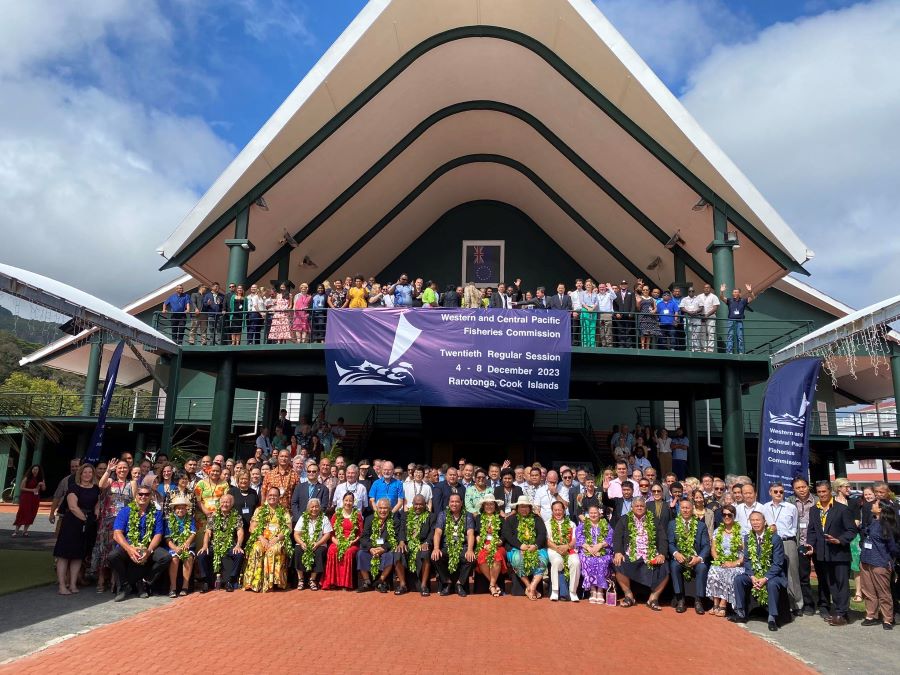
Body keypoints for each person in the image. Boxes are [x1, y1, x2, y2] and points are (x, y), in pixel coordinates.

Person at [805, 480, 857, 626]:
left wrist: (840, 540)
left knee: (842, 584)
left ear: (830, 491)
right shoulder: (814, 510)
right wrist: (810, 545)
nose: (822, 494)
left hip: (839, 554)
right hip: (822, 554)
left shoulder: (842, 509)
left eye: (824, 491)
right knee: (831, 585)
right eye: (819, 492)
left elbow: (852, 530)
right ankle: (839, 611)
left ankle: (842, 613)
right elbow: (812, 530)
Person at [108, 484, 168, 601]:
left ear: (150, 496)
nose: (143, 497)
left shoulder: (156, 513)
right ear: (136, 495)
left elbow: (158, 535)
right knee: (113, 556)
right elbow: (117, 534)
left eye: (146, 494)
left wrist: (149, 551)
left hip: (147, 546)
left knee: (165, 557)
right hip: (129, 545)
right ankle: (125, 585)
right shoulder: (125, 511)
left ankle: (144, 582)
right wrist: (130, 549)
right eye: (140, 494)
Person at [731, 511, 787, 631]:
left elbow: (778, 564)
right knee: (738, 579)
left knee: (772, 584)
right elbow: (747, 560)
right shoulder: (748, 538)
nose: (755, 523)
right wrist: (752, 576)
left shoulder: (775, 539)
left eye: (758, 520)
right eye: (753, 520)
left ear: (764, 522)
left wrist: (765, 578)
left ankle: (772, 618)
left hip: (773, 575)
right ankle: (741, 613)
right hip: (755, 575)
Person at [613, 497, 669, 610]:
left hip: (650, 554)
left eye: (642, 506)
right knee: (618, 563)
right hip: (631, 553)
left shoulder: (654, 519)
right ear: (632, 507)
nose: (639, 508)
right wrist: (618, 552)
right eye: (637, 506)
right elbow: (617, 536)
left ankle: (653, 598)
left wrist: (662, 554)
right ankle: (629, 596)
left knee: (665, 566)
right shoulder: (624, 519)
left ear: (645, 507)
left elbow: (662, 538)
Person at [53, 464, 100, 595]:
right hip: (72, 523)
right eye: (85, 472)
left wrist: (96, 513)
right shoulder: (73, 487)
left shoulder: (96, 488)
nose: (87, 475)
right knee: (64, 554)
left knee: (78, 555)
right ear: (80, 474)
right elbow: (73, 507)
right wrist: (85, 519)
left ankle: (73, 584)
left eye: (90, 472)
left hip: (87, 524)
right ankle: (62, 586)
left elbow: (97, 504)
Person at [91, 460, 134, 591]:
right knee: (105, 549)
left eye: (125, 468)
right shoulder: (110, 481)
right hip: (108, 521)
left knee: (118, 549)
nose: (122, 470)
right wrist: (108, 470)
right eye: (119, 468)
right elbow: (101, 484)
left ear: (128, 469)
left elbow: (135, 501)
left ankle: (114, 580)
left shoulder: (132, 483)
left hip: (124, 521)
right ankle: (101, 579)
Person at [762, 481, 802, 616]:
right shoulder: (765, 507)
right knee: (771, 572)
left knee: (792, 573)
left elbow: (795, 526)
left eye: (781, 492)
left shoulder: (791, 507)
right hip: (770, 542)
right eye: (776, 491)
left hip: (787, 541)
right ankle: (774, 604)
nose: (779, 494)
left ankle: (796, 604)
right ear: (770, 492)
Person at [859, 499, 900, 630]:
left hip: (880, 563)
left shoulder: (886, 525)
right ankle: (871, 616)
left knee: (883, 592)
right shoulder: (872, 521)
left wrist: (891, 559)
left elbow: (893, 547)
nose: (872, 505)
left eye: (875, 504)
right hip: (866, 561)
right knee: (868, 590)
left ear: (881, 509)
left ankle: (887, 619)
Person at [243, 487, 293, 592]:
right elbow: (252, 527)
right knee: (257, 549)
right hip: (261, 539)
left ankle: (272, 583)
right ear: (266, 496)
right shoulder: (259, 510)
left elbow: (288, 529)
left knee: (272, 551)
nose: (272, 497)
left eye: (275, 495)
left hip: (277, 540)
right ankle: (255, 582)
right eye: (270, 495)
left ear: (279, 497)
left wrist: (276, 539)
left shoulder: (284, 511)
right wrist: (262, 539)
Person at [501, 496, 549, 601]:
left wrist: (535, 545)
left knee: (543, 559)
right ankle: (528, 586)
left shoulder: (537, 519)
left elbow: (542, 534)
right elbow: (508, 535)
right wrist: (520, 546)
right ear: (517, 508)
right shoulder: (510, 519)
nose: (524, 509)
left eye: (526, 507)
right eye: (521, 507)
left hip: (535, 547)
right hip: (516, 548)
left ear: (530, 508)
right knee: (517, 559)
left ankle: (532, 587)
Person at [667, 498, 710, 614]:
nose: (685, 510)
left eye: (688, 508)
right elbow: (670, 543)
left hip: (695, 558)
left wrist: (699, 558)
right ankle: (680, 599)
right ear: (679, 509)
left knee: (702, 568)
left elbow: (706, 545)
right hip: (680, 558)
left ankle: (698, 601)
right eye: (683, 508)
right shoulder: (672, 524)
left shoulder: (701, 525)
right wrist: (676, 553)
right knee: (674, 566)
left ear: (692, 509)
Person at [197, 493, 245, 592]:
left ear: (231, 504)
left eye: (227, 502)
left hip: (229, 545)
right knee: (202, 554)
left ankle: (230, 581)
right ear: (219, 503)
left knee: (239, 554)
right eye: (223, 502)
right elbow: (208, 532)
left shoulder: (236, 516)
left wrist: (238, 545)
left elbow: (240, 532)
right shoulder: (213, 516)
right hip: (215, 545)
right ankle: (206, 582)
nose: (224, 504)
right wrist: (205, 545)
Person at [358, 498, 406, 593]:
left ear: (389, 509)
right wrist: (371, 548)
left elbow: (395, 539)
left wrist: (383, 548)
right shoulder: (369, 519)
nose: (382, 511)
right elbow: (364, 537)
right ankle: (367, 582)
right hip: (371, 548)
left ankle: (380, 581)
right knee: (360, 554)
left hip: (385, 549)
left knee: (390, 556)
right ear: (377, 508)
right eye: (380, 508)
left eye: (385, 508)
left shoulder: (395, 521)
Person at [432, 493, 476, 597]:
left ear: (461, 503)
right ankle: (447, 582)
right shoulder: (442, 515)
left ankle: (460, 584)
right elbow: (438, 532)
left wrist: (470, 550)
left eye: (457, 502)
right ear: (449, 503)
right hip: (447, 547)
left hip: (462, 547)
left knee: (471, 558)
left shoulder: (468, 515)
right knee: (435, 557)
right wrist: (436, 548)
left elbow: (470, 533)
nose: (454, 504)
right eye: (452, 501)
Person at [323, 491, 364, 590]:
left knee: (348, 552)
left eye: (350, 501)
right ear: (342, 501)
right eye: (346, 500)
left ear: (353, 502)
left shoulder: (357, 515)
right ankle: (332, 582)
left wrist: (352, 542)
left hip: (352, 543)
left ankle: (345, 583)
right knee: (332, 550)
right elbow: (331, 533)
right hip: (337, 541)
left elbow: (360, 533)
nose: (348, 503)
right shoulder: (336, 515)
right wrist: (337, 542)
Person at [790, 476, 819, 615]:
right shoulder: (790, 502)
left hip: (818, 543)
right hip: (801, 543)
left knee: (823, 576)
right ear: (794, 490)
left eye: (803, 487)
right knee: (803, 576)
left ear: (808, 487)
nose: (801, 490)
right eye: (798, 488)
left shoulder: (817, 501)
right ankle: (808, 604)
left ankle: (824, 605)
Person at [293, 498, 332, 591]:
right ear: (308, 508)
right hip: (304, 543)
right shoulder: (303, 518)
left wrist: (318, 543)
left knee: (319, 552)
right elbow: (296, 534)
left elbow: (327, 534)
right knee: (298, 550)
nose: (314, 509)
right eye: (312, 507)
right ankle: (301, 579)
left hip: (319, 543)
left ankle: (312, 579)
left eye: (316, 507)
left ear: (320, 508)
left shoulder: (324, 518)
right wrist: (302, 543)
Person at [546, 501, 581, 601]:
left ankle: (573, 591)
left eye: (560, 510)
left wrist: (567, 546)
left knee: (576, 563)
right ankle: (555, 591)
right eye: (555, 510)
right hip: (553, 549)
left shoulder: (571, 523)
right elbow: (547, 540)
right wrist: (558, 548)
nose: (558, 512)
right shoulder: (547, 523)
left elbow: (574, 539)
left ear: (564, 510)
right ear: (552, 511)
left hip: (569, 549)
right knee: (557, 561)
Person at [163, 496, 196, 597]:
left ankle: (185, 587)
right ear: (174, 509)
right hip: (173, 546)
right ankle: (172, 587)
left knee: (188, 557)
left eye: (182, 508)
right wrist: (175, 548)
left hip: (186, 546)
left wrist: (187, 542)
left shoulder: (190, 519)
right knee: (174, 558)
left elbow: (193, 533)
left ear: (186, 509)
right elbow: (167, 538)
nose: (180, 510)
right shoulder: (169, 520)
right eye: (178, 508)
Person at [474, 496, 506, 597]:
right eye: (487, 504)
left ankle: (492, 585)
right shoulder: (478, 518)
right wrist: (483, 544)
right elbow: (476, 534)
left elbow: (503, 536)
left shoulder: (501, 519)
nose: (489, 506)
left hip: (497, 544)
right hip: (483, 544)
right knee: (481, 556)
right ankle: (494, 585)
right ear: (483, 506)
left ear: (495, 506)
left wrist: (495, 544)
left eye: (491, 504)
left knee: (497, 556)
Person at [404, 495, 435, 595]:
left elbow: (432, 532)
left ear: (425, 505)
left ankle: (424, 586)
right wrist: (401, 542)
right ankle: (402, 585)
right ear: (412, 504)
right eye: (416, 504)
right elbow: (401, 531)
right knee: (398, 553)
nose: (418, 506)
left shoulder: (431, 516)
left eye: (421, 504)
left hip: (423, 544)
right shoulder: (405, 515)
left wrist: (426, 542)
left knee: (425, 553)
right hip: (408, 544)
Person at [719, 283, 754, 353]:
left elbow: (752, 297)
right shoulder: (730, 300)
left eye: (736, 292)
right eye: (733, 292)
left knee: (740, 337)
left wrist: (750, 291)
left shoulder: (743, 301)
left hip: (739, 321)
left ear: (739, 293)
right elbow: (722, 298)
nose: (734, 293)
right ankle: (729, 352)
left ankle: (741, 352)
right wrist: (722, 291)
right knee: (730, 336)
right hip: (731, 321)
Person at [13, 464, 45, 537]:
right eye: (34, 469)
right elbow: (21, 488)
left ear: (39, 471)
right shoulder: (27, 477)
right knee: (23, 512)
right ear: (31, 470)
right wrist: (32, 490)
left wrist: (42, 484)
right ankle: (16, 531)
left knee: (31, 513)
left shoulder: (40, 478)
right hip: (26, 497)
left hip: (35, 498)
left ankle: (25, 531)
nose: (35, 471)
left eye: (37, 469)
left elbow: (43, 489)